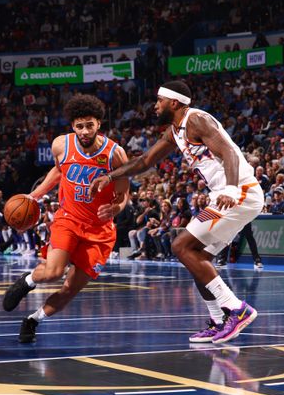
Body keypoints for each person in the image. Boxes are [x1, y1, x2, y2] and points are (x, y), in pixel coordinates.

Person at [90, 80, 262, 344]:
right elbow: (144, 161)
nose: (155, 106)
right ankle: (218, 320)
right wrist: (110, 176)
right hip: (227, 196)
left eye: (159, 101)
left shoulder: (197, 120)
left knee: (180, 246)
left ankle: (236, 309)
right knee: (198, 259)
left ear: (174, 102)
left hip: (238, 193)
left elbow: (228, 151)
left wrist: (229, 188)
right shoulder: (175, 131)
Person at [2, 94, 129, 343]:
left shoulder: (115, 154)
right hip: (68, 219)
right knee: (52, 272)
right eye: (79, 126)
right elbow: (60, 170)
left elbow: (124, 194)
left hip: (100, 232)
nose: (84, 131)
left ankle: (32, 320)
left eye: (89, 125)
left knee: (70, 288)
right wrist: (36, 194)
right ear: (72, 126)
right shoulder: (61, 145)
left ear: (98, 124)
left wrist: (116, 209)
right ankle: (26, 282)